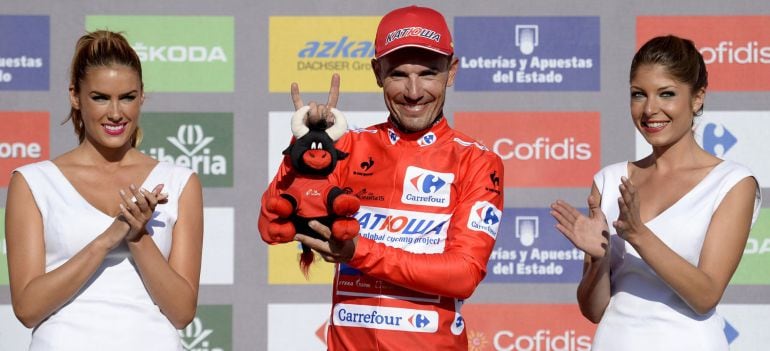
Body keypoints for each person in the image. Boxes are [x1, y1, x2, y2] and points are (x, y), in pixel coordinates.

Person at [259, 5, 504, 350]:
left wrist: (358, 252)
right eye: (399, 74)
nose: (414, 91)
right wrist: (304, 145)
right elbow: (272, 227)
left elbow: (463, 275)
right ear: (377, 72)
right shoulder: (347, 147)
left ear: (451, 71)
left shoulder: (476, 161)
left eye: (429, 73)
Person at [550, 35, 761, 350]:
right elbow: (593, 311)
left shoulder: (732, 183)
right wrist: (598, 259)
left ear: (698, 97)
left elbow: (706, 295)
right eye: (639, 94)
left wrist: (638, 234)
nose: (650, 109)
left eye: (667, 94)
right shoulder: (610, 181)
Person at [5, 30, 203, 350]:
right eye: (100, 97)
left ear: (141, 97)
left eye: (127, 97)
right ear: (75, 96)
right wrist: (107, 240)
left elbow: (182, 313)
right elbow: (27, 308)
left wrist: (138, 237)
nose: (115, 113)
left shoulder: (179, 182)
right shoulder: (32, 183)